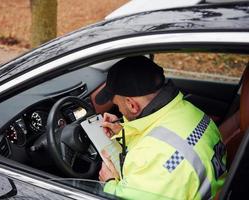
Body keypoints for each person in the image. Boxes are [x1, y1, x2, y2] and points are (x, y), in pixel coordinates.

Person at [95, 56, 227, 200]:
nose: (119, 110)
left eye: (117, 105)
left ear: (132, 105)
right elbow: (167, 137)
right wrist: (124, 131)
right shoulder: (190, 111)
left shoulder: (156, 158)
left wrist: (109, 183)